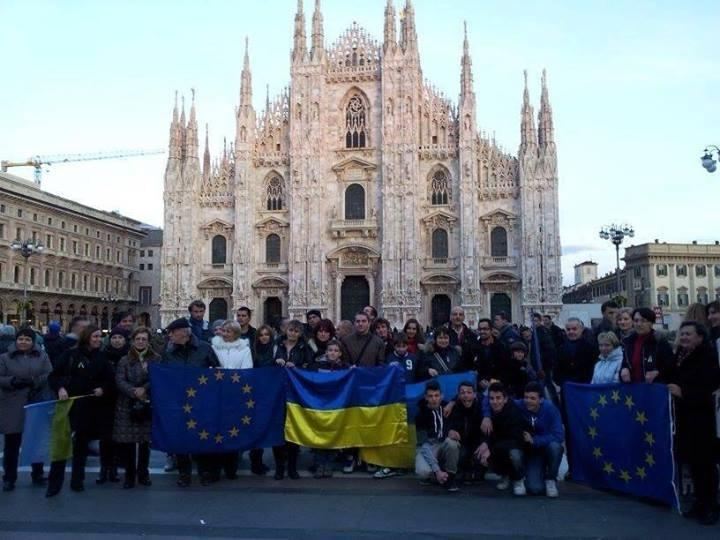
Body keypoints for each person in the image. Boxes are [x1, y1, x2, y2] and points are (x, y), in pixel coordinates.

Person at [659, 322, 720, 525]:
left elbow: (709, 386)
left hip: (701, 416)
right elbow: (668, 374)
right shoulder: (680, 355)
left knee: (705, 463)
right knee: (693, 462)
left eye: (688, 334)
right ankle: (699, 503)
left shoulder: (707, 356)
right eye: (681, 333)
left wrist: (683, 392)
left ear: (700, 337)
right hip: (684, 416)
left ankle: (710, 506)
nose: (684, 337)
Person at [46, 325, 116, 497]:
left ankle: (77, 480)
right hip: (69, 405)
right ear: (86, 337)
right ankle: (54, 484)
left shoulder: (102, 358)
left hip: (90, 407)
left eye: (100, 337)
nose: (99, 339)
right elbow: (53, 376)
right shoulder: (70, 355)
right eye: (95, 336)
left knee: (81, 446)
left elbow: (110, 381)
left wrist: (103, 389)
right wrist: (61, 388)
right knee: (62, 444)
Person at [160, 317, 220, 487]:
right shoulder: (169, 351)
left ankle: (205, 472)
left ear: (182, 333)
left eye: (172, 333)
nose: (169, 336)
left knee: (202, 436)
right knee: (180, 438)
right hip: (178, 400)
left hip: (200, 400)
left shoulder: (204, 348)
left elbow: (217, 371)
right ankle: (184, 473)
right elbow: (163, 373)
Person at [482, 381, 564, 497]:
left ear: (541, 399)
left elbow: (558, 436)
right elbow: (489, 399)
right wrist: (486, 416)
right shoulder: (519, 404)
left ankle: (551, 478)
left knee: (556, 447)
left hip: (543, 448)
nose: (528, 401)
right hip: (528, 451)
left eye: (532, 398)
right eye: (526, 397)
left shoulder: (551, 409)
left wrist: (535, 440)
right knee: (535, 489)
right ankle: (519, 477)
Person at [0, 328, 53, 491]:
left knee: (35, 441)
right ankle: (9, 477)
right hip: (12, 402)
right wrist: (12, 381)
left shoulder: (42, 356)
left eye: (27, 339)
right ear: (15, 340)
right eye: (21, 339)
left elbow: (49, 373)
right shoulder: (4, 358)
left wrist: (34, 381)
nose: (23, 342)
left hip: (35, 400)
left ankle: (37, 473)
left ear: (33, 341)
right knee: (12, 443)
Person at [113, 327, 158, 489]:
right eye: (138, 339)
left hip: (147, 402)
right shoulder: (124, 360)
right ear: (133, 341)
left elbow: (157, 377)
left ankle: (143, 473)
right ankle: (130, 475)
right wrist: (133, 391)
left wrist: (144, 389)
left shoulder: (155, 359)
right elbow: (119, 380)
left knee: (145, 442)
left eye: (144, 339)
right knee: (129, 443)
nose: (140, 341)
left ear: (148, 341)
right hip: (127, 404)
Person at [211, 320, 253, 480]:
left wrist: (232, 380)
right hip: (216, 395)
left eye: (228, 331)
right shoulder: (214, 347)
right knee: (216, 432)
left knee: (233, 430)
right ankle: (215, 468)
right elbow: (209, 367)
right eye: (224, 331)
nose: (225, 333)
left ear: (235, 334)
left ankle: (231, 467)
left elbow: (247, 371)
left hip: (235, 395)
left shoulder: (244, 350)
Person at [272, 320, 311, 480]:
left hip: (295, 394)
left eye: (296, 331)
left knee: (293, 430)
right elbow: (266, 362)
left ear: (300, 333)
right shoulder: (276, 345)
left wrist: (297, 367)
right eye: (290, 330)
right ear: (285, 331)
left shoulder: (305, 347)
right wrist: (276, 362)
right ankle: (279, 468)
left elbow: (311, 365)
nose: (293, 333)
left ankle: (292, 467)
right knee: (278, 431)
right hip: (277, 393)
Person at [475, 383, 529, 496]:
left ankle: (518, 479)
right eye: (492, 398)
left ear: (505, 399)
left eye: (498, 398)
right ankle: (505, 475)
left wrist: (490, 448)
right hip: (499, 445)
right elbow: (486, 433)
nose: (495, 402)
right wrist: (485, 443)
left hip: (517, 446)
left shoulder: (514, 412)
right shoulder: (488, 413)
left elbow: (517, 440)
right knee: (481, 450)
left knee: (514, 454)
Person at [308, 340, 349, 478]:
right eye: (330, 350)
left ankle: (328, 464)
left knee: (332, 435)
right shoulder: (316, 366)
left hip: (336, 407)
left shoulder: (345, 368)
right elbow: (309, 380)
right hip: (319, 405)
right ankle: (319, 464)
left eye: (336, 351)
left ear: (340, 354)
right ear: (326, 352)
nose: (333, 353)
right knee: (319, 434)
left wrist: (354, 371)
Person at [415, 380, 460, 492]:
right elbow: (424, 445)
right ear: (426, 397)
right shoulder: (420, 415)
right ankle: (438, 475)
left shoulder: (448, 408)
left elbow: (466, 396)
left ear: (442, 395)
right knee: (423, 473)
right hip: (429, 446)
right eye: (430, 396)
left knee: (452, 443)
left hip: (444, 444)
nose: (434, 399)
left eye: (436, 395)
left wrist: (452, 402)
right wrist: (437, 471)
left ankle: (450, 477)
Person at [619, 308, 673, 384]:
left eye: (643, 321)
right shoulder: (628, 342)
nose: (639, 324)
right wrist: (624, 369)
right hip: (632, 390)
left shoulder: (659, 341)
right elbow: (625, 363)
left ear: (651, 323)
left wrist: (658, 373)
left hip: (653, 389)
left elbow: (671, 367)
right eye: (636, 320)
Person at [249, 324, 276, 476]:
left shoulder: (276, 350)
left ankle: (280, 460)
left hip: (272, 393)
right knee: (256, 427)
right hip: (256, 394)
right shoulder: (252, 351)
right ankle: (256, 461)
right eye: (261, 334)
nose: (264, 337)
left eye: (267, 334)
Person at [446, 381, 485, 483]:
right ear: (458, 395)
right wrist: (450, 431)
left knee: (480, 458)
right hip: (462, 443)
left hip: (478, 443)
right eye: (462, 393)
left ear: (475, 394)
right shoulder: (454, 408)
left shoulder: (483, 407)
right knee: (459, 451)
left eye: (469, 392)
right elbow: (448, 424)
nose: (466, 395)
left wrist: (485, 443)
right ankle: (460, 471)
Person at [464, 318, 508, 391]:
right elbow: (467, 366)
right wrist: (479, 380)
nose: (482, 331)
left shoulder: (502, 347)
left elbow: (507, 367)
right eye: (480, 329)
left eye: (485, 329)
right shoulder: (472, 347)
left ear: (491, 330)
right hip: (478, 388)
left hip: (498, 387)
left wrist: (497, 380)